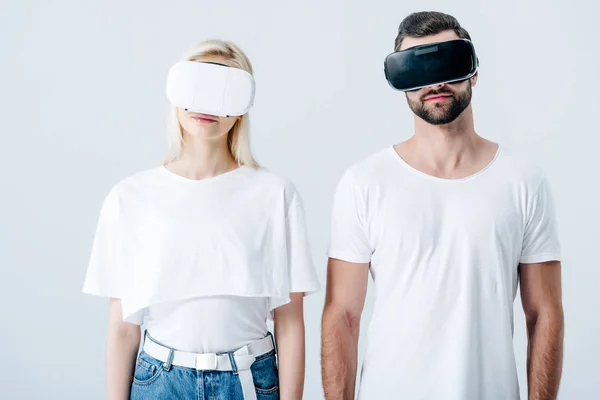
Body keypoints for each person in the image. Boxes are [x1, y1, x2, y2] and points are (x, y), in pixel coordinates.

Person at [321, 11, 564, 400]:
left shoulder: (523, 181)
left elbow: (544, 313)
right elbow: (342, 316)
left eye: (448, 65)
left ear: (473, 72)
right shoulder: (363, 182)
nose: (435, 82)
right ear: (400, 82)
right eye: (416, 69)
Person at [82, 39, 321, 400]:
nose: (207, 105)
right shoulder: (130, 197)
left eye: (224, 90)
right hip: (160, 381)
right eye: (198, 87)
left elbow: (289, 321)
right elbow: (123, 327)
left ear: (243, 106)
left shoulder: (275, 195)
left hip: (249, 380)